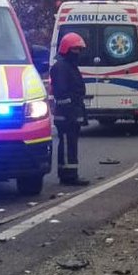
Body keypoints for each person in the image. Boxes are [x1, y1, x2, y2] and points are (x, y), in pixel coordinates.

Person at [50, 33, 90, 186]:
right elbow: (62, 91)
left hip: (71, 112)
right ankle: (69, 175)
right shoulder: (61, 67)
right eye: (75, 49)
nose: (78, 53)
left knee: (70, 143)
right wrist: (71, 108)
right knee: (68, 144)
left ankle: (69, 172)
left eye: (79, 50)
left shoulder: (67, 65)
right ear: (67, 49)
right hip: (66, 114)